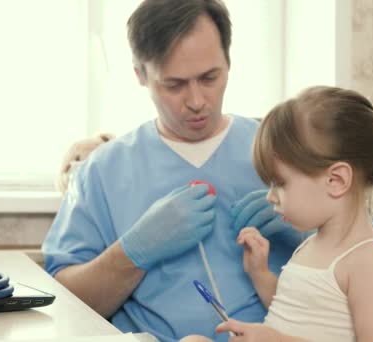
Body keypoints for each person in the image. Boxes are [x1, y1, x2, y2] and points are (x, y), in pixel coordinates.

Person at [42, 1, 304, 341]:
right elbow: (64, 305)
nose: (197, 100)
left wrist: (309, 232)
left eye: (210, 77)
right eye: (174, 84)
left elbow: (372, 254)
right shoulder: (103, 171)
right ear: (140, 74)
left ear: (228, 61)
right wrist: (133, 252)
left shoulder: (286, 151)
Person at [182, 86, 373, 342]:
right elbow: (299, 316)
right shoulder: (313, 244)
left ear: (336, 180)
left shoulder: (369, 261)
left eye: (280, 183)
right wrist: (260, 274)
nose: (270, 196)